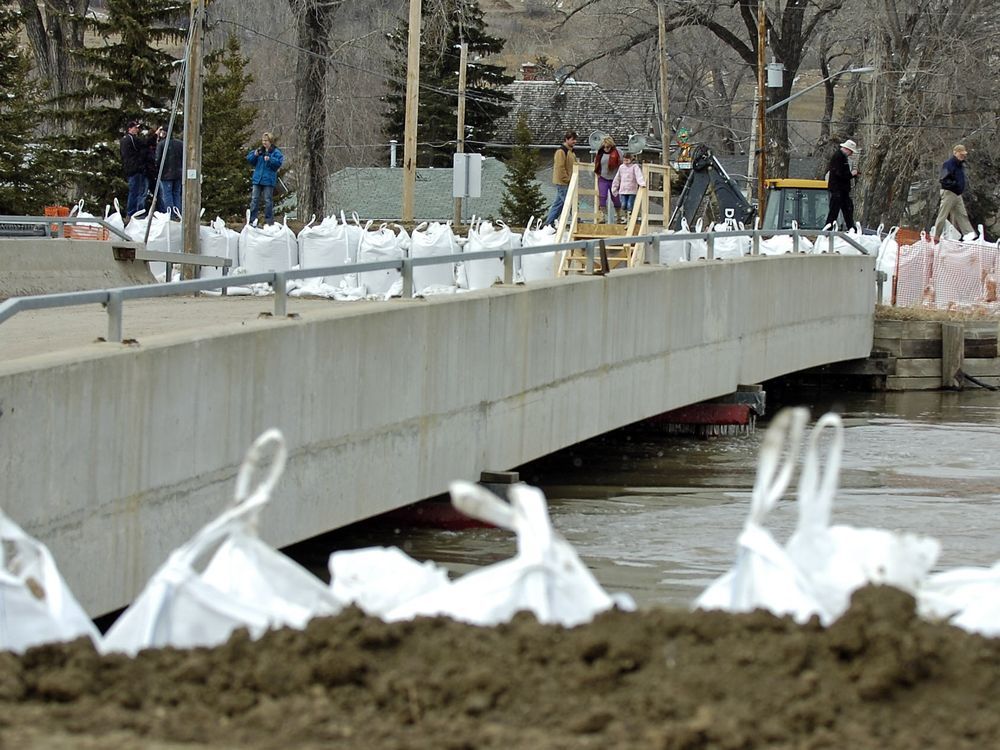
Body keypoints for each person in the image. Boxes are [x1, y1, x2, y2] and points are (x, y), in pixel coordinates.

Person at [933, 144, 976, 242]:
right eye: (961, 154)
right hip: (949, 192)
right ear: (955, 153)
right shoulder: (948, 164)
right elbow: (943, 179)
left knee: (962, 214)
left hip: (957, 194)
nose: (963, 156)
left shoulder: (960, 165)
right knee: (943, 215)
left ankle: (970, 237)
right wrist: (954, 184)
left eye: (964, 154)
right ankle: (936, 236)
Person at [246, 132, 284, 225]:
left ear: (270, 141)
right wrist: (254, 155)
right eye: (263, 140)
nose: (264, 142)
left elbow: (278, 164)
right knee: (254, 199)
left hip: (268, 180)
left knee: (268, 200)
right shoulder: (259, 150)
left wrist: (270, 159)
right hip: (258, 179)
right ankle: (252, 220)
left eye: (266, 141)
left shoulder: (276, 152)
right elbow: (249, 159)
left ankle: (269, 221)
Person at [824, 138, 859, 230]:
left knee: (847, 209)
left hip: (841, 190)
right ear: (847, 150)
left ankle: (851, 228)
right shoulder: (839, 157)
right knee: (835, 211)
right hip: (838, 189)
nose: (851, 154)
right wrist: (852, 174)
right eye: (851, 152)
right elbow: (840, 173)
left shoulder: (840, 156)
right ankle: (828, 229)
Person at [544, 130, 578, 227]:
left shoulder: (571, 152)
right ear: (566, 139)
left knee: (559, 204)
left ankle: (548, 223)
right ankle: (578, 221)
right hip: (563, 182)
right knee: (571, 202)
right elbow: (560, 167)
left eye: (575, 139)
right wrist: (566, 179)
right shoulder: (561, 151)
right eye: (572, 139)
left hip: (568, 182)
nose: (574, 141)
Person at [120, 121, 150, 219]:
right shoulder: (131, 139)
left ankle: (131, 212)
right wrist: (154, 135)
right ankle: (136, 212)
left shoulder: (124, 140)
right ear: (130, 129)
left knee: (134, 191)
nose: (137, 130)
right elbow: (145, 144)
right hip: (136, 169)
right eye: (135, 128)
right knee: (138, 192)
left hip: (130, 168)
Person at [155, 126, 184, 218]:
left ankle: (170, 214)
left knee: (167, 194)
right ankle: (177, 213)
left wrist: (157, 169)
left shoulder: (162, 144)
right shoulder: (180, 144)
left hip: (166, 173)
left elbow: (157, 159)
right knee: (176, 193)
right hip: (179, 173)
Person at [594, 136, 622, 223]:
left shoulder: (618, 152)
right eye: (605, 147)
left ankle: (619, 216)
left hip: (614, 178)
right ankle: (602, 216)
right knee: (602, 196)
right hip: (603, 177)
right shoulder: (600, 152)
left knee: (616, 197)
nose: (606, 149)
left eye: (608, 147)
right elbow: (597, 162)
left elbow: (622, 163)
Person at [610, 153, 645, 222]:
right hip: (623, 190)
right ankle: (626, 216)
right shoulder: (621, 167)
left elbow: (639, 175)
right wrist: (614, 188)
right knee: (623, 205)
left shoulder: (635, 167)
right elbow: (617, 178)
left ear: (631, 160)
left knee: (630, 205)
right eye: (624, 160)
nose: (625, 162)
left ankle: (630, 218)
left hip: (632, 190)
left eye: (627, 160)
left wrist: (641, 183)